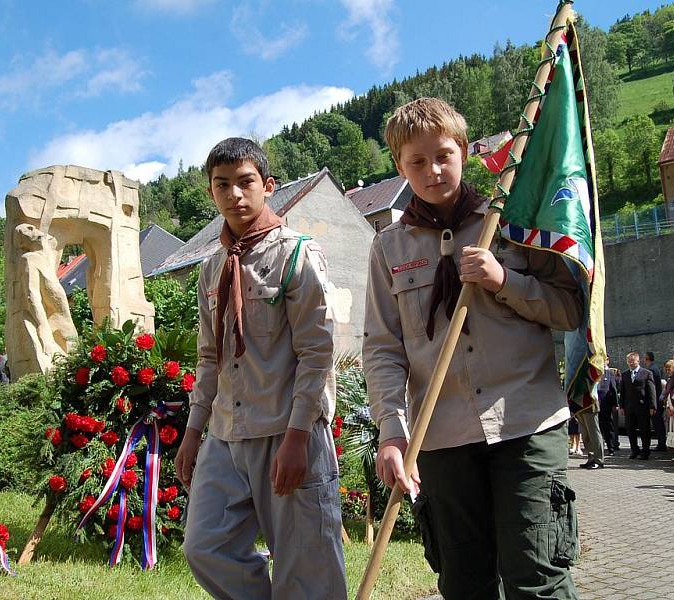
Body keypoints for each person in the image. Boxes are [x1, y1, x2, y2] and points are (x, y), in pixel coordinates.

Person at [364, 98, 582, 600]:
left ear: (463, 151)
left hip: (526, 424)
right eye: (416, 161)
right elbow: (382, 349)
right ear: (399, 166)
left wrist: (503, 279)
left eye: (443, 155)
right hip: (440, 439)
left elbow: (569, 310)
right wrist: (392, 434)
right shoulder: (388, 249)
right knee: (464, 584)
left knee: (537, 577)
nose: (432, 170)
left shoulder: (513, 222)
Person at [174, 138, 346, 600]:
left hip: (287, 429)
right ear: (211, 192)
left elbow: (316, 353)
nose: (234, 194)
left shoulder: (297, 255)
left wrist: (297, 437)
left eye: (245, 181)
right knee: (204, 544)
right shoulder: (212, 269)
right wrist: (193, 432)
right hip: (227, 435)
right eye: (222, 184)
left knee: (306, 567)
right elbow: (208, 357)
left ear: (268, 186)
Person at [619, 352, 656, 459]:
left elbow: (651, 391)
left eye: (633, 361)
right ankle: (634, 450)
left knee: (644, 430)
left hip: (642, 406)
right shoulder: (625, 374)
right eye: (629, 361)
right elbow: (623, 391)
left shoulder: (646, 373)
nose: (630, 363)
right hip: (629, 407)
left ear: (638, 361)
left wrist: (652, 406)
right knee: (630, 430)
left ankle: (645, 451)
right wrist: (621, 406)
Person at [644, 351, 667, 451]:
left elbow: (652, 387)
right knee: (657, 423)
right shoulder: (655, 368)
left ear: (647, 359)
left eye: (644, 359)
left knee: (657, 423)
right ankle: (661, 443)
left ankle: (661, 444)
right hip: (657, 399)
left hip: (655, 400)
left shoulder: (651, 370)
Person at [597, 357, 620, 456]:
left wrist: (615, 404)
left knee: (608, 427)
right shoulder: (594, 372)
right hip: (596, 404)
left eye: (604, 360)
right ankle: (598, 448)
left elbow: (613, 389)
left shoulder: (610, 373)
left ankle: (611, 447)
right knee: (598, 427)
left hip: (606, 404)